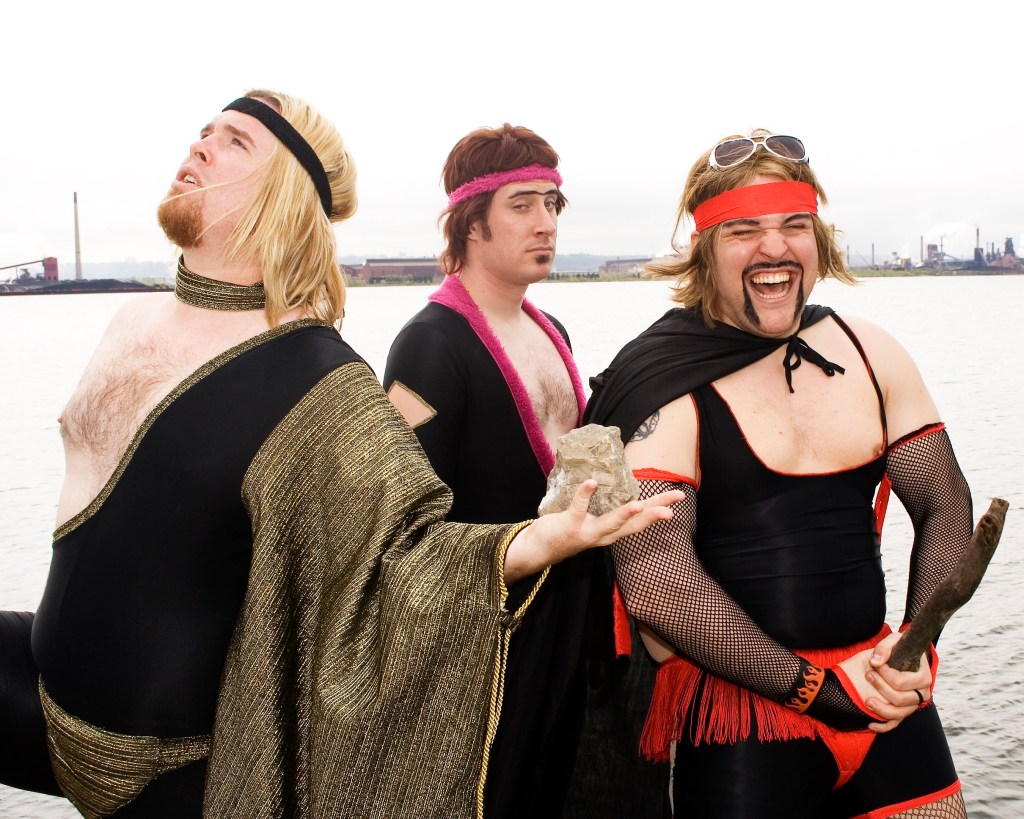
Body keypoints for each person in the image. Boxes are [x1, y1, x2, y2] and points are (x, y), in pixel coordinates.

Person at [0, 90, 684, 819]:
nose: (200, 145)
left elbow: (402, 552)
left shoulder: (318, 381)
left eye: (234, 141)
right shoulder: (129, 316)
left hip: (173, 763)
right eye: (205, 131)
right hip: (42, 690)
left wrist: (540, 540)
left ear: (285, 192)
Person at [584, 130, 973, 818]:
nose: (775, 247)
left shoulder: (870, 351)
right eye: (744, 230)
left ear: (817, 240)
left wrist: (917, 646)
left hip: (879, 688)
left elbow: (944, 502)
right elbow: (658, 585)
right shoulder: (661, 383)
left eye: (795, 224)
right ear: (706, 248)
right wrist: (819, 692)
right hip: (743, 718)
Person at [384, 124, 656, 818]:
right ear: (470, 220)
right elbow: (407, 532)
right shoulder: (429, 346)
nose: (546, 224)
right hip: (491, 646)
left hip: (575, 620)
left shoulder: (550, 328)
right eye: (522, 205)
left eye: (552, 204)